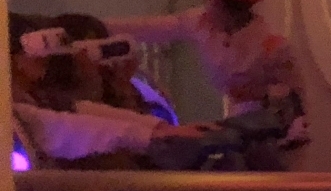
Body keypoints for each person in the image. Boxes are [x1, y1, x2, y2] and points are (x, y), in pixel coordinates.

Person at [108, 0, 306, 134]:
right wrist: (99, 27)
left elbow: (295, 93)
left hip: (271, 123)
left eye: (213, 3)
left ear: (233, 11)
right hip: (239, 116)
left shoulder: (271, 46)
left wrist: (261, 93)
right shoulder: (201, 23)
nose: (207, 8)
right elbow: (150, 27)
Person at [9, 13, 204, 164]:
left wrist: (160, 130)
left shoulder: (44, 99)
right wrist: (153, 134)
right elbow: (65, 127)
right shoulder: (17, 111)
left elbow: (82, 112)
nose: (44, 56)